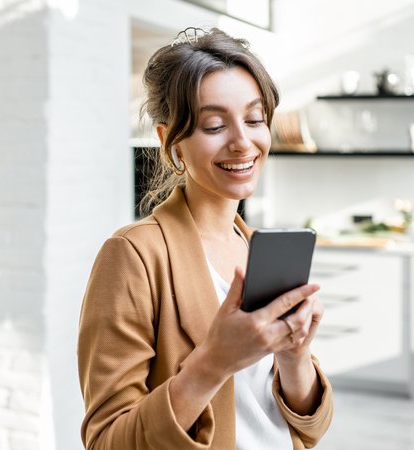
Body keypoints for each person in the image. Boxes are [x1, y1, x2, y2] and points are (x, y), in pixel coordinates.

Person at [77, 27, 333, 450]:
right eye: (215, 125)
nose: (242, 142)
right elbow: (107, 442)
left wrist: (295, 355)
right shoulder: (133, 257)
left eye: (254, 119)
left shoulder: (259, 251)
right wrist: (213, 363)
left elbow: (309, 428)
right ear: (170, 141)